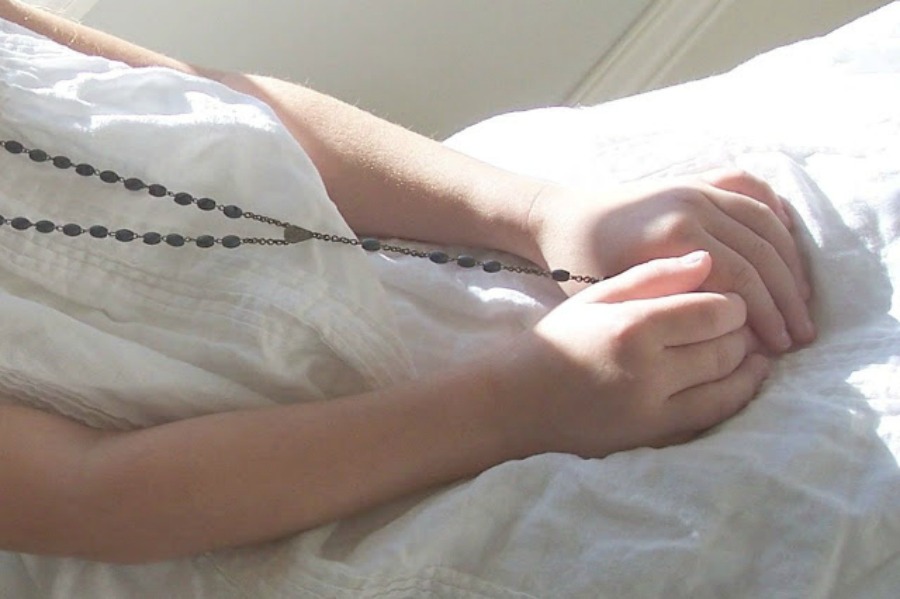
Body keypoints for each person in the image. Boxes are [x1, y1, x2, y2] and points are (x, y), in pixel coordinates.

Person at [0, 0, 814, 564]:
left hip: (446, 276)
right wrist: (523, 404)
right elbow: (89, 492)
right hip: (316, 496)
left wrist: (542, 212)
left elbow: (219, 105)